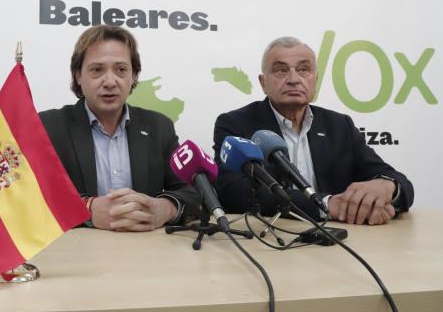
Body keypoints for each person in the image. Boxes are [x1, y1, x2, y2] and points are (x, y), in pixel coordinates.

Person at [213, 37, 414, 225]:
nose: (293, 79)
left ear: (315, 80)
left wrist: (387, 187)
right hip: (273, 236)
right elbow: (233, 191)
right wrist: (327, 205)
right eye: (281, 71)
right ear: (263, 82)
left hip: (341, 238)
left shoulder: (340, 125)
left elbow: (397, 181)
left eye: (303, 70)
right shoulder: (235, 124)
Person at [40, 25, 201, 231]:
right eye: (97, 70)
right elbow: (27, 196)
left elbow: (192, 192)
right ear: (78, 75)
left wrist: (166, 208)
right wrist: (87, 209)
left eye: (121, 70)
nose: (110, 81)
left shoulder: (159, 127)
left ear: (134, 75)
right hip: (76, 248)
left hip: (146, 246)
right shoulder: (48, 126)